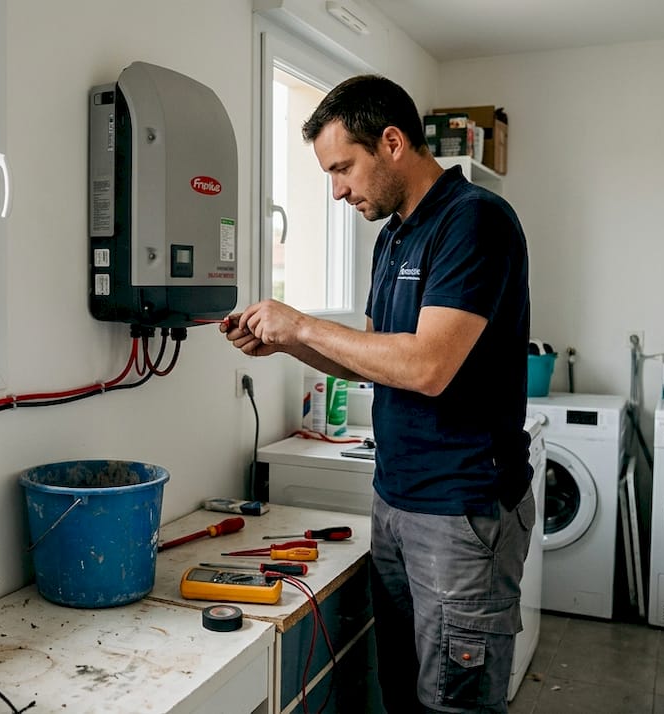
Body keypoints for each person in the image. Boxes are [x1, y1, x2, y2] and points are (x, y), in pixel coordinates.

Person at [221, 75, 532, 713]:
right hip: (394, 502)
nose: (336, 190)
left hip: (461, 511)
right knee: (402, 694)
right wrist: (285, 342)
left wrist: (303, 323)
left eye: (343, 168)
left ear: (392, 142)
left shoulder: (474, 221)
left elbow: (426, 368)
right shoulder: (393, 235)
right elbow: (371, 358)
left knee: (455, 704)